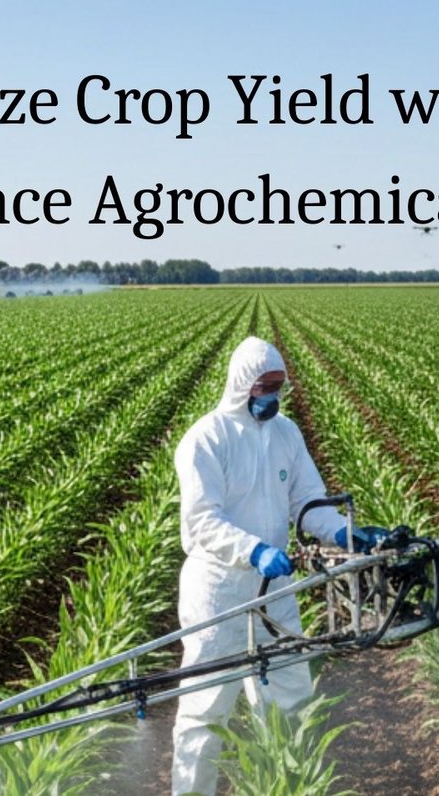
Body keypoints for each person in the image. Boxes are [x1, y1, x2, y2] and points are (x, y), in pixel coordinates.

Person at [169, 336, 374, 795]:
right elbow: (202, 521)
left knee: (290, 697)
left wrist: (343, 531)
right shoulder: (207, 437)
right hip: (219, 591)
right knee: (207, 708)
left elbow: (307, 502)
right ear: (243, 386)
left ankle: (289, 787)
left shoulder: (287, 434)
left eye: (280, 387)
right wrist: (254, 549)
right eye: (265, 387)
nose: (273, 397)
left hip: (274, 592)